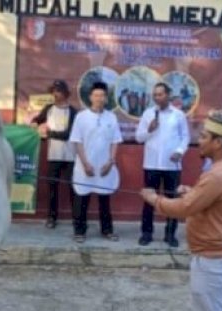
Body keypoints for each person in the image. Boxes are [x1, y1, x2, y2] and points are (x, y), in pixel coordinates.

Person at [140, 112, 222, 311]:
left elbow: (184, 209)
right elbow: (207, 201)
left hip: (212, 259)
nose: (199, 140)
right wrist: (192, 191)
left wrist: (154, 199)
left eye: (205, 136)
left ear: (219, 142)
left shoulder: (217, 175)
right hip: (218, 256)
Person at [135, 83, 189, 247]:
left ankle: (170, 234)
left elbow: (185, 137)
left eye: (160, 94)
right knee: (149, 200)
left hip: (171, 165)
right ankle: (146, 233)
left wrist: (180, 151)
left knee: (173, 201)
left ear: (168, 95)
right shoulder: (148, 114)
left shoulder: (178, 115)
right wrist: (149, 129)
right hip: (151, 164)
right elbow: (139, 138)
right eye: (155, 95)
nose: (157, 97)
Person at [69, 81, 123, 243]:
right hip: (85, 166)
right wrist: (85, 163)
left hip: (105, 166)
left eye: (102, 95)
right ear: (90, 97)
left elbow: (115, 141)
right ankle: (80, 231)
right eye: (96, 95)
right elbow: (77, 141)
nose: (99, 98)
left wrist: (111, 161)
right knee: (82, 199)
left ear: (106, 98)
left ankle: (107, 230)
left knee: (104, 199)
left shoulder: (111, 117)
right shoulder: (81, 117)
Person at [31, 80, 78, 228]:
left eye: (59, 91)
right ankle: (52, 218)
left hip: (71, 155)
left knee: (73, 187)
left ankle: (77, 218)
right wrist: (34, 123)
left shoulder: (73, 111)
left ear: (65, 93)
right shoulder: (49, 109)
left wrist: (49, 133)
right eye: (54, 91)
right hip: (53, 155)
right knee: (52, 187)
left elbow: (68, 134)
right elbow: (37, 120)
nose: (56, 94)